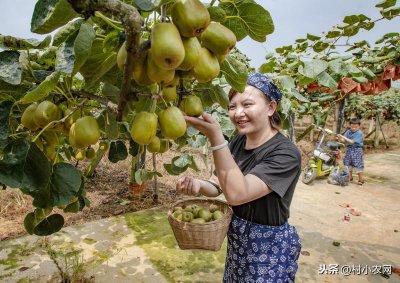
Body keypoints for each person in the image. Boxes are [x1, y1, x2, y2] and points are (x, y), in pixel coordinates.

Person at [175, 72, 302, 282]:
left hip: (268, 246)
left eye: (247, 104)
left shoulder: (286, 154)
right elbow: (218, 184)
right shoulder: (236, 142)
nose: (238, 113)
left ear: (271, 108)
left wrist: (216, 137)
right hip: (239, 241)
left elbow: (237, 193)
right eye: (232, 106)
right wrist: (198, 185)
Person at [337, 118, 365, 186]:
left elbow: (352, 142)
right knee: (347, 163)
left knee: (358, 164)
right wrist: (340, 138)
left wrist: (343, 137)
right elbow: (344, 140)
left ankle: (361, 180)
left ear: (359, 126)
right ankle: (350, 177)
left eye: (356, 127)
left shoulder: (359, 133)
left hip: (357, 150)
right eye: (352, 126)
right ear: (350, 125)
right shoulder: (348, 131)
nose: (354, 128)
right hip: (349, 149)